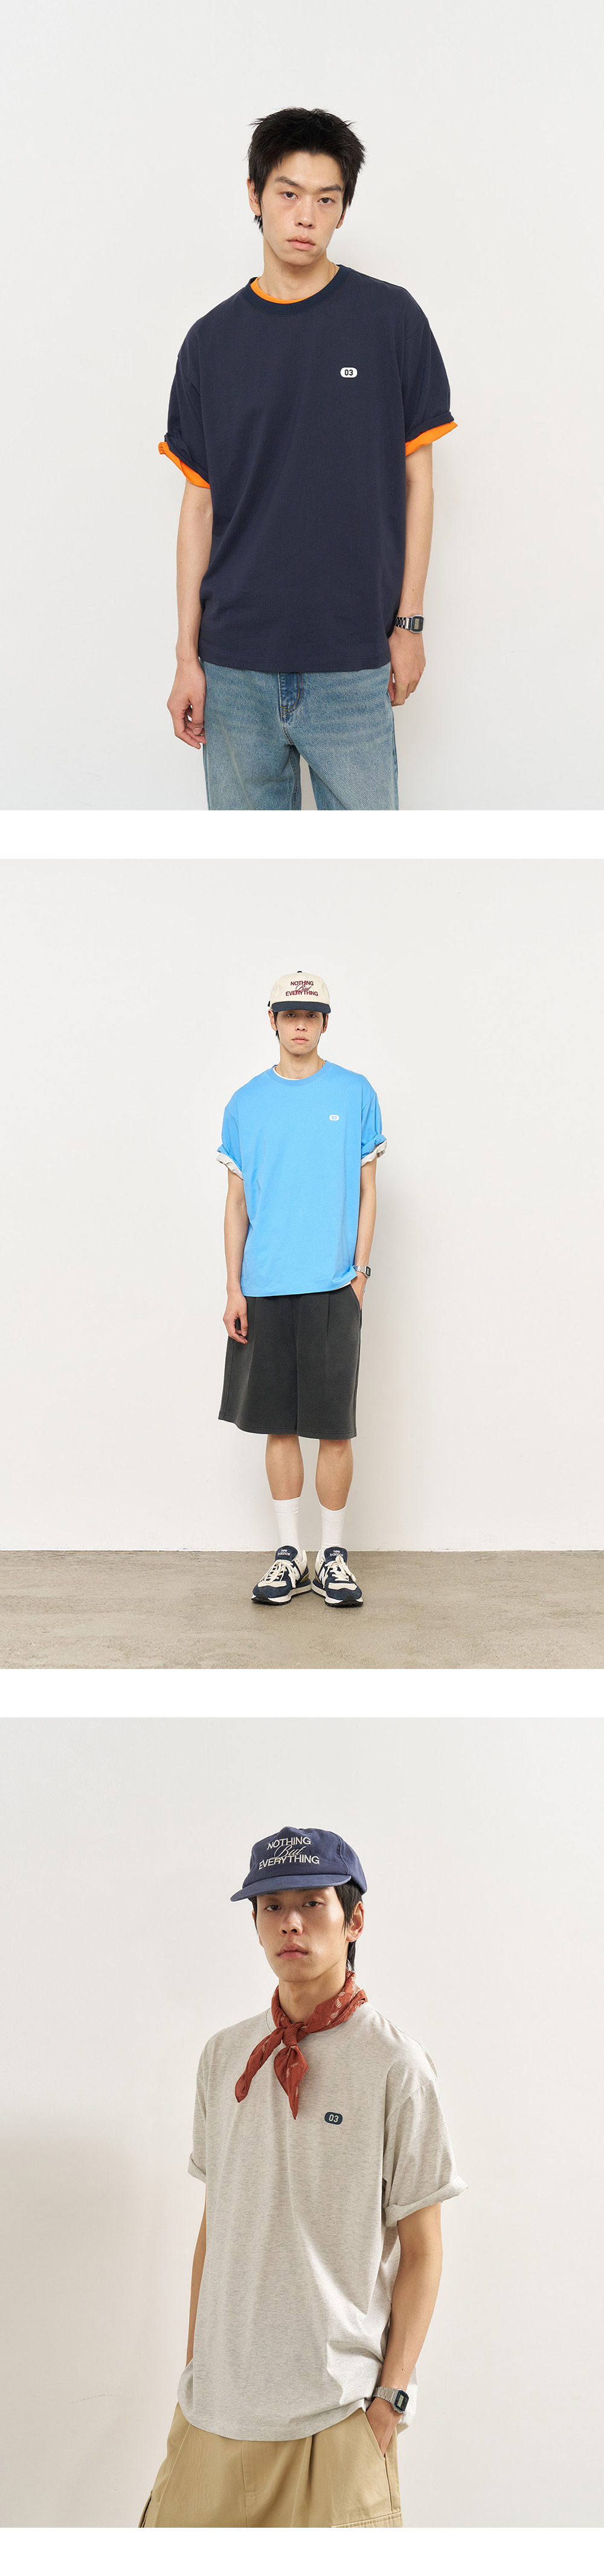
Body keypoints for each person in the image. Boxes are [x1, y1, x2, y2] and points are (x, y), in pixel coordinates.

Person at [140, 1824, 466, 2529]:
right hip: (213, 2412)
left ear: (354, 1921)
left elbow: (424, 2250)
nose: (290, 1922)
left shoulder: (396, 2066)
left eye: (311, 1903)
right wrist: (196, 2367)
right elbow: (217, 2225)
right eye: (271, 1906)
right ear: (257, 1925)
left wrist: (391, 2401)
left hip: (335, 2413)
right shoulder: (222, 2056)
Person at [159, 104, 456, 812]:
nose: (305, 216)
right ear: (255, 196)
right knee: (249, 871)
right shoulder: (210, 342)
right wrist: (186, 657)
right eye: (289, 193)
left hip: (352, 659)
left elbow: (418, 481)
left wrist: (409, 624)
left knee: (366, 869)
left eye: (326, 199)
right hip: (234, 667)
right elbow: (199, 507)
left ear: (343, 210)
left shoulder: (391, 320)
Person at [217, 970, 385, 1608]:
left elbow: (368, 1190)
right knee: (278, 1425)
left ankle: (333, 1556)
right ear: (272, 1020)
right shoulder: (245, 1102)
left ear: (324, 1023)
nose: (299, 1024)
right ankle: (290, 1555)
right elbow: (236, 1203)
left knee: (334, 1427)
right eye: (289, 1014)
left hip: (333, 1286)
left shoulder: (355, 1092)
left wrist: (359, 1273)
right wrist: (234, 1287)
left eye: (310, 1015)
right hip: (264, 1287)